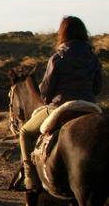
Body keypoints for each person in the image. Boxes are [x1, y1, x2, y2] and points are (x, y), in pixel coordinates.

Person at [20, 16, 102, 191]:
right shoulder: (93, 57)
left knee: (25, 132)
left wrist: (49, 98)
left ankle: (29, 177)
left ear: (63, 33)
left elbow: (45, 92)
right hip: (89, 106)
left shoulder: (58, 57)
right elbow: (97, 88)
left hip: (61, 106)